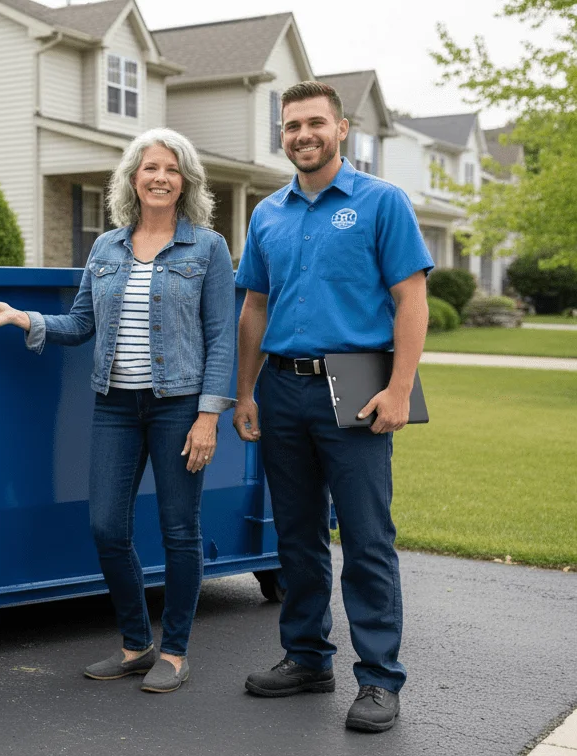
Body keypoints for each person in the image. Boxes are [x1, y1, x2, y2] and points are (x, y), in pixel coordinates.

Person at [0, 128, 235, 694]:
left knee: (180, 531)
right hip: (114, 404)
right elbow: (81, 323)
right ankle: (137, 644)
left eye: (172, 169)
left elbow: (221, 339)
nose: (160, 177)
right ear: (133, 178)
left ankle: (176, 651)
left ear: (187, 182)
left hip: (179, 407)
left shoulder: (207, 248)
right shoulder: (106, 247)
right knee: (107, 526)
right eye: (150, 167)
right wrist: (23, 318)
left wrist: (209, 416)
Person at [232, 81, 432, 733]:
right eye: (291, 126)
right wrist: (244, 391)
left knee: (368, 537)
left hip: (358, 379)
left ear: (342, 129)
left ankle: (378, 680)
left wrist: (400, 387)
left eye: (314, 123)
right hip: (283, 388)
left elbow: (410, 299)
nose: (302, 135)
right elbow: (254, 309)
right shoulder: (267, 214)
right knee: (295, 534)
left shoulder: (382, 203)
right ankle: (308, 657)